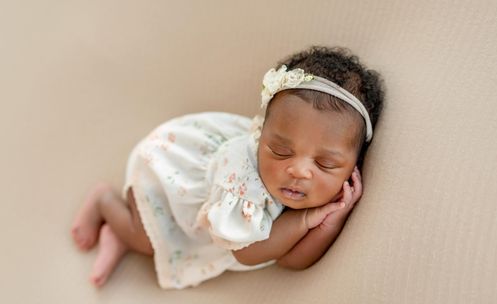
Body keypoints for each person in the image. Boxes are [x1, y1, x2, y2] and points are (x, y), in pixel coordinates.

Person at [71, 46, 384, 289]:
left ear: (353, 164)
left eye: (326, 163)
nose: (299, 171)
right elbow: (246, 252)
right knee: (146, 239)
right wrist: (305, 220)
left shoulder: (317, 188)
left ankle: (117, 236)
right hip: (169, 175)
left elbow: (290, 261)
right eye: (280, 149)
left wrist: (330, 220)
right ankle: (106, 203)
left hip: (199, 190)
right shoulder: (243, 182)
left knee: (148, 241)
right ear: (262, 133)